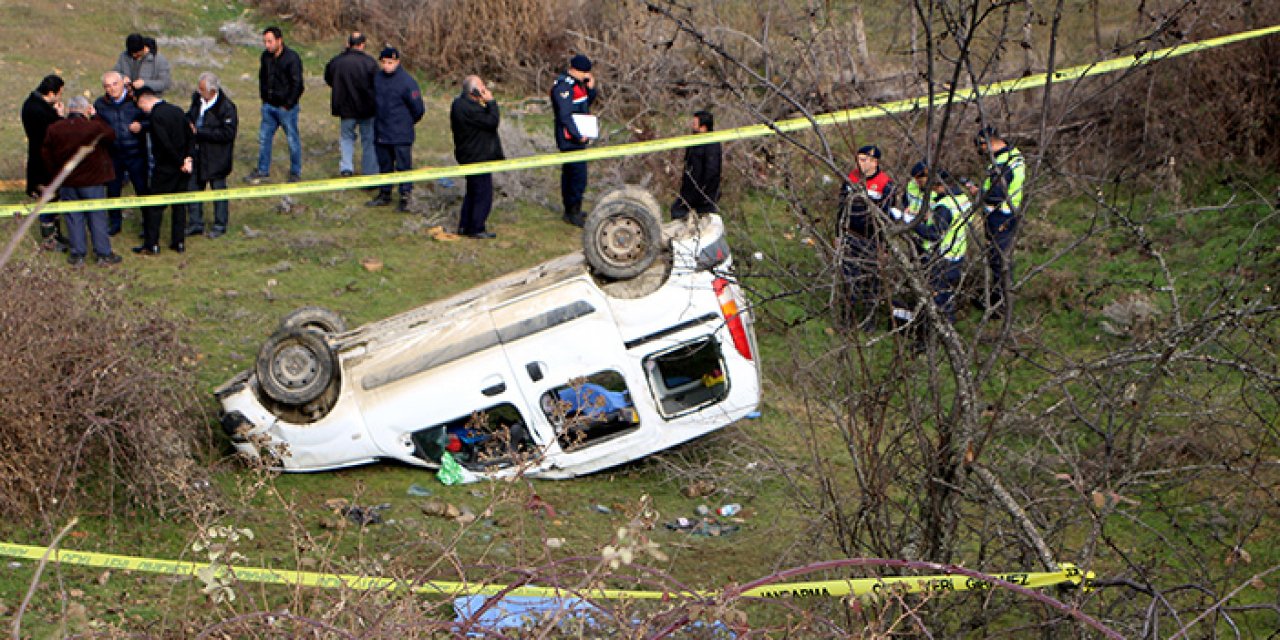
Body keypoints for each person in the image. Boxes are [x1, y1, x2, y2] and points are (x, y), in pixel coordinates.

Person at [41, 96, 121, 267]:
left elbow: (46, 154)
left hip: (68, 181)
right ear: (86, 109)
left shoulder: (55, 128)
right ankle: (103, 253)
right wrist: (96, 116)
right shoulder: (94, 127)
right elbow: (111, 135)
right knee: (97, 217)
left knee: (73, 217)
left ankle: (78, 254)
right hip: (93, 180)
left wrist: (56, 174)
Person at [968, 126, 1025, 316]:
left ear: (990, 142)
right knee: (996, 258)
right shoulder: (1007, 156)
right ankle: (996, 298)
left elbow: (998, 194)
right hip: (1000, 214)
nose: (981, 151)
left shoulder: (1005, 163)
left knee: (1000, 260)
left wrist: (979, 194)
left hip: (1002, 215)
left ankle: (1001, 306)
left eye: (981, 146)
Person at [902, 170, 971, 323]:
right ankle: (948, 330)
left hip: (941, 257)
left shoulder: (945, 206)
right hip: (957, 254)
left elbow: (933, 234)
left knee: (936, 299)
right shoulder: (963, 199)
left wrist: (910, 223)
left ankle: (933, 333)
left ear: (941, 186)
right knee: (947, 296)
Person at [839, 144, 896, 324]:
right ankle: (847, 318)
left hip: (872, 240)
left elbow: (886, 218)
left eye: (864, 160)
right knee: (848, 279)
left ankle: (869, 321)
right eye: (859, 159)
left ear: (874, 162)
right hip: (851, 235)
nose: (859, 163)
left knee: (872, 281)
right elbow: (841, 207)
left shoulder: (885, 184)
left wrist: (883, 247)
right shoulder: (851, 178)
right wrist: (838, 234)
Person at [132, 87, 192, 255]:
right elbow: (190, 135)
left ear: (144, 100)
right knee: (179, 206)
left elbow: (164, 143)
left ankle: (152, 244)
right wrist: (188, 158)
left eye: (140, 105)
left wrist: (179, 161)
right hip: (183, 168)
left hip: (166, 168)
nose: (141, 110)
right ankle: (178, 242)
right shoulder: (177, 110)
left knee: (155, 207)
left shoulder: (156, 116)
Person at [368, 47, 424, 213]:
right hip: (381, 130)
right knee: (384, 165)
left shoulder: (407, 82)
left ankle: (406, 197)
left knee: (403, 167)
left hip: (400, 133)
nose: (387, 66)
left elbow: (418, 109)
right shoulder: (377, 79)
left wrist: (405, 123)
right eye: (384, 62)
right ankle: (385, 194)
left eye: (390, 62)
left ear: (397, 62)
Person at [246, 26, 304, 184]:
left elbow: (297, 84)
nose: (267, 45)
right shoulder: (265, 57)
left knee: (292, 140)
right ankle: (263, 170)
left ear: (280, 40)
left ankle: (295, 171)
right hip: (269, 106)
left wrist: (288, 104)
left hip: (286, 108)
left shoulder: (292, 58)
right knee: (264, 138)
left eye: (270, 41)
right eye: (265, 42)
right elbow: (262, 77)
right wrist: (264, 98)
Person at [95, 71, 150, 237]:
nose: (111, 89)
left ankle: (148, 223)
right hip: (113, 154)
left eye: (114, 84)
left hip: (136, 153)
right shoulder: (101, 104)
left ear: (122, 84)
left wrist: (141, 126)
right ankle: (115, 223)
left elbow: (151, 117)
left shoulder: (135, 100)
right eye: (107, 86)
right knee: (113, 190)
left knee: (142, 188)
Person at [185, 72, 238, 239]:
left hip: (217, 158)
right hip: (197, 155)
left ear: (212, 91)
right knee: (193, 189)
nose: (199, 92)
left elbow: (227, 133)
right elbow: (190, 115)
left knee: (218, 192)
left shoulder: (227, 107)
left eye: (202, 89)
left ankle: (220, 224)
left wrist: (200, 132)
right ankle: (195, 223)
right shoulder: (197, 100)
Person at [450, 75, 504, 239]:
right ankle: (476, 228)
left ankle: (465, 225)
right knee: (482, 193)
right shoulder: (471, 109)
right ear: (473, 91)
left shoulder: (459, 104)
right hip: (477, 155)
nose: (485, 89)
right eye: (481, 87)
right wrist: (491, 102)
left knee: (472, 191)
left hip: (467, 153)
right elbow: (492, 121)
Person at [550, 54, 598, 226]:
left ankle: (573, 208)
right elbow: (565, 115)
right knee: (576, 177)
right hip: (570, 139)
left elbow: (584, 104)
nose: (586, 76)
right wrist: (578, 135)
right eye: (584, 73)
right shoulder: (564, 86)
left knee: (575, 176)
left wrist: (591, 89)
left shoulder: (578, 84)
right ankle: (572, 211)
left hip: (577, 135)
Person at [323, 31, 379, 178]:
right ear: (362, 45)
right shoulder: (370, 63)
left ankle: (346, 168)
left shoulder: (337, 62)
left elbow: (328, 78)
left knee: (346, 138)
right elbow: (377, 85)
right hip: (367, 109)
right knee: (368, 140)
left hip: (345, 108)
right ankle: (370, 171)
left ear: (349, 44)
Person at [22, 74, 68, 250]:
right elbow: (54, 132)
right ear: (51, 93)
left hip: (41, 161)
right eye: (59, 93)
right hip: (43, 164)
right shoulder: (39, 111)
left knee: (53, 200)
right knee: (47, 200)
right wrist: (59, 116)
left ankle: (56, 235)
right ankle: (50, 239)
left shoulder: (32, 104)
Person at [670, 110, 722, 220]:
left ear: (703, 127)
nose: (692, 126)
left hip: (703, 194)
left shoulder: (712, 145)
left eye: (695, 124)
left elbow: (712, 171)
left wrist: (704, 194)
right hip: (689, 190)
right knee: (677, 212)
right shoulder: (694, 141)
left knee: (703, 220)